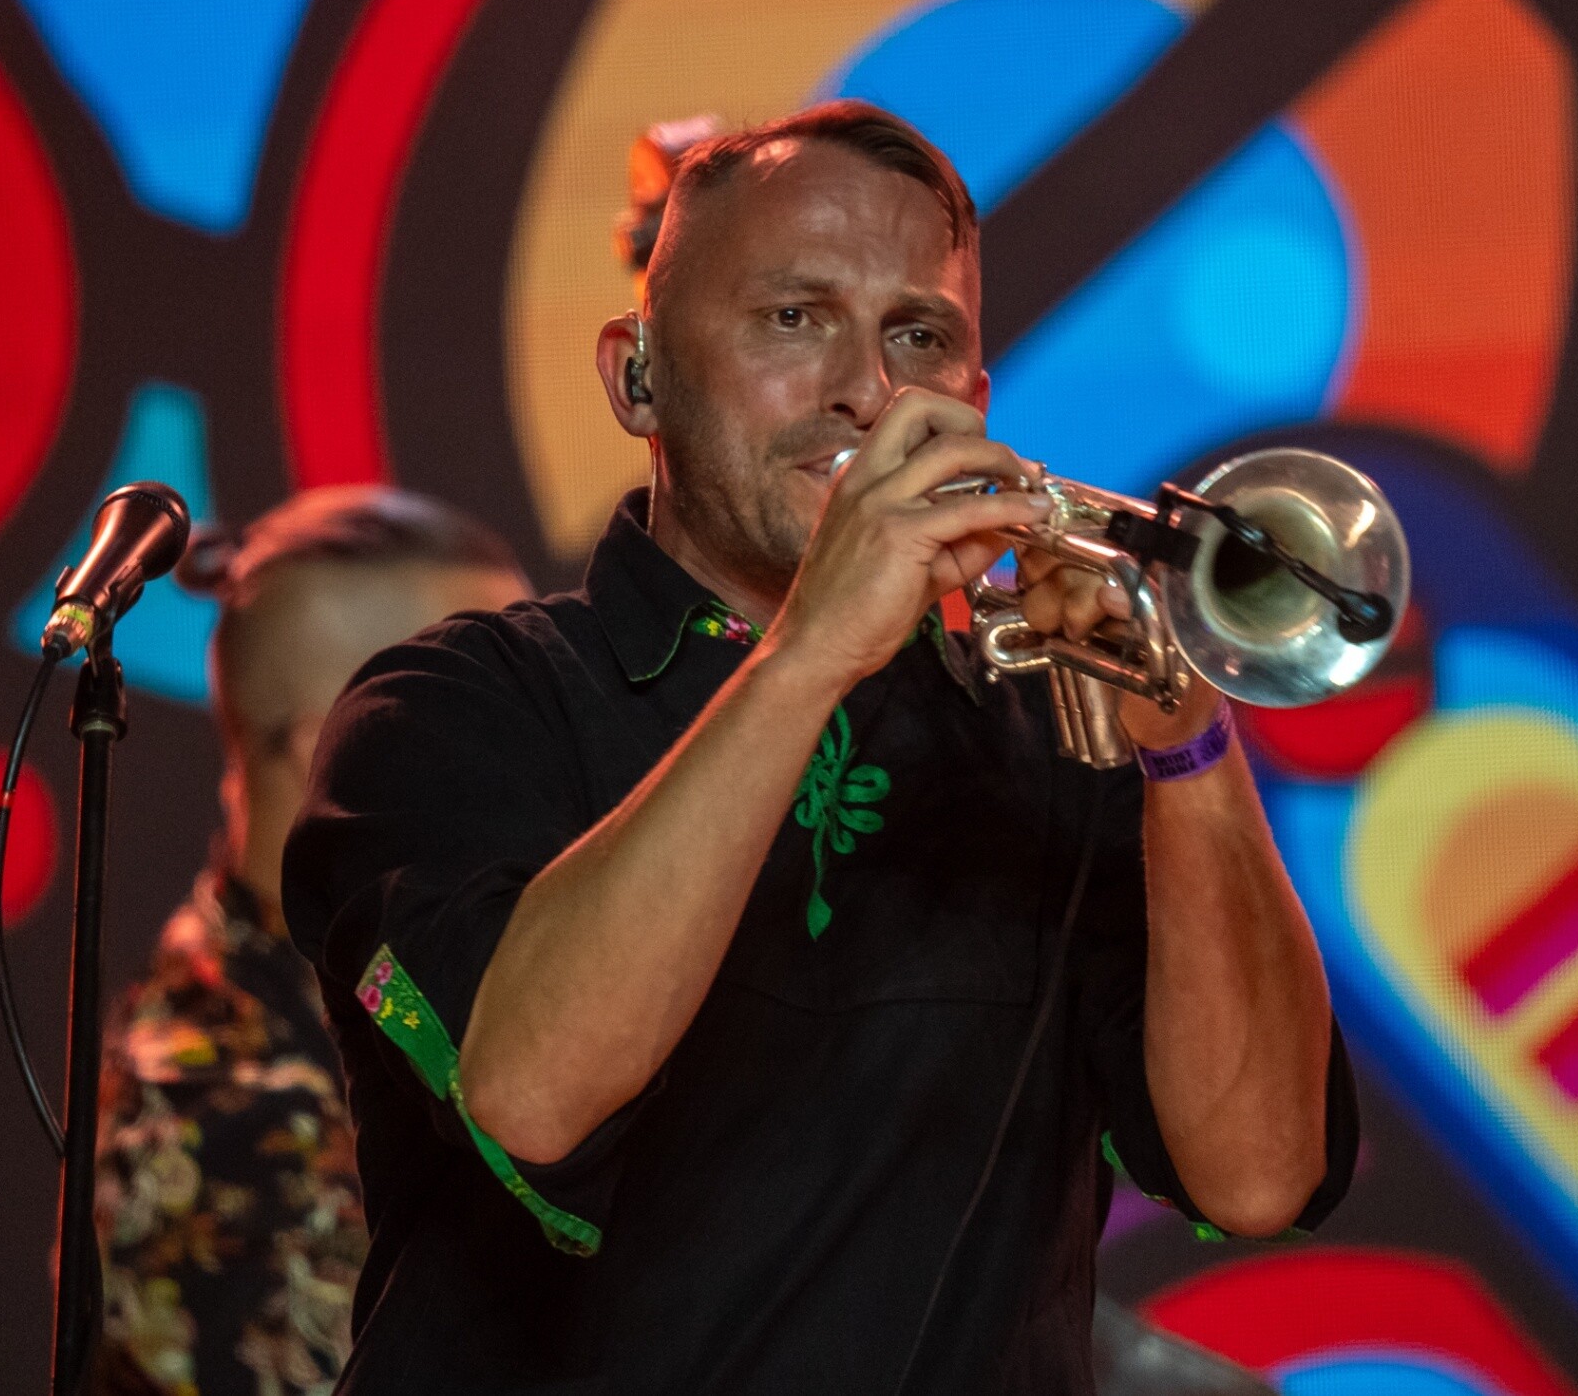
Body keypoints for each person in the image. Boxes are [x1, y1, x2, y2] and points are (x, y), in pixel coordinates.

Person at [282, 101, 1359, 1393]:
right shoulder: (452, 707)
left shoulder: (1056, 737)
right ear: (636, 376)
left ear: (972, 401)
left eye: (919, 336)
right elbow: (532, 1094)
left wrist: (1187, 744)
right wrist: (812, 650)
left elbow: (1257, 1171)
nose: (869, 388)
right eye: (794, 317)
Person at [91, 488, 531, 1396]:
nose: (540, 752)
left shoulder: (381, 978)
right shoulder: (228, 1107)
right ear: (335, 745)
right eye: (483, 708)